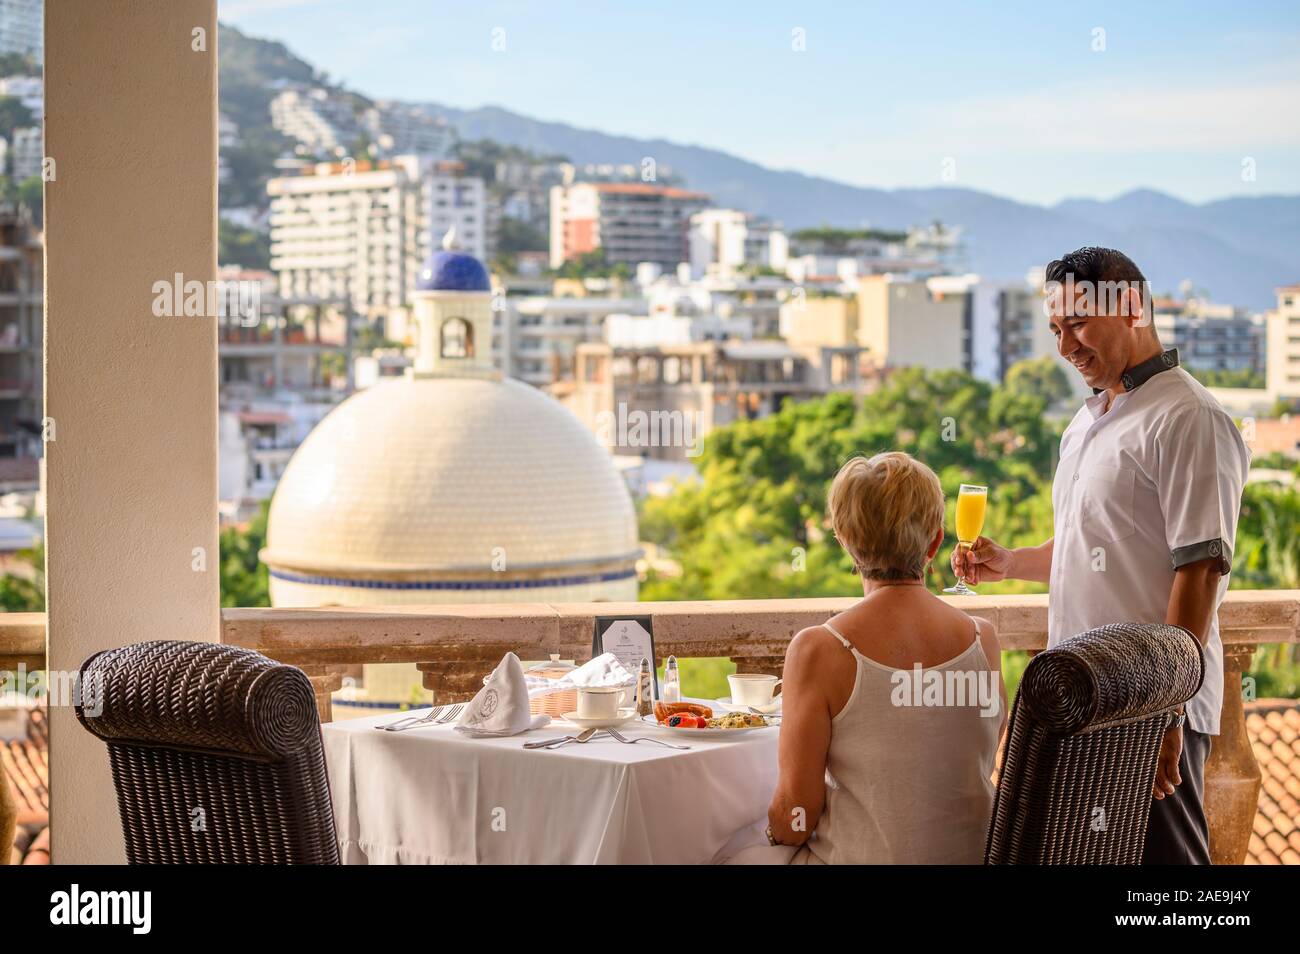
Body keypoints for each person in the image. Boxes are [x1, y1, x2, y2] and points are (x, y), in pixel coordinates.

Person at [954, 246, 1249, 865]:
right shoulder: (1086, 422)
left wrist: (1166, 709)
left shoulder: (1189, 416)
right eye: (1056, 330)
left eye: (1079, 325)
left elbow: (1199, 570)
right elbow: (1092, 544)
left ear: (1133, 307)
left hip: (1147, 700)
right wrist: (1013, 563)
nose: (1065, 347)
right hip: (1083, 697)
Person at [728, 451, 1006, 864]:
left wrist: (768, 831)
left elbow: (795, 818)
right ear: (934, 542)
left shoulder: (819, 649)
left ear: (843, 539)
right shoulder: (983, 640)